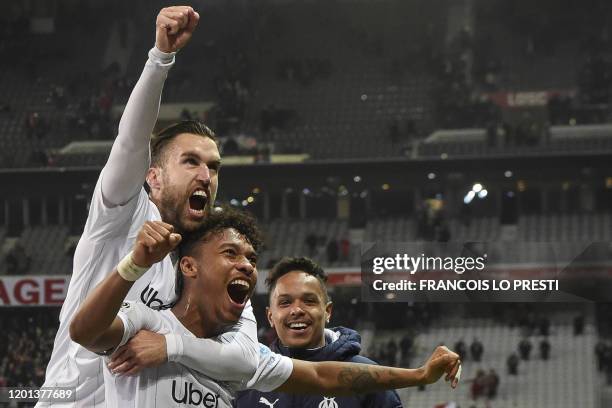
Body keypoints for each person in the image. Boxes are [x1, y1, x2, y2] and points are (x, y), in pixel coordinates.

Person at [38, 7, 260, 406]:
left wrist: (172, 347)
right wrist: (160, 57)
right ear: (153, 177)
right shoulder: (123, 214)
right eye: (190, 161)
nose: (206, 176)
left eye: (213, 167)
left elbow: (245, 357)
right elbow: (130, 142)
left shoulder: (202, 259)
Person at [70, 211, 462, 406]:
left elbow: (325, 376)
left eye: (252, 258)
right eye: (230, 253)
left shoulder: (243, 355)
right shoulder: (145, 320)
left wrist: (419, 376)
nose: (246, 264)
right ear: (188, 266)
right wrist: (134, 264)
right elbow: (84, 332)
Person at [235, 257, 404, 407]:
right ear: (270, 316)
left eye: (309, 301)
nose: (297, 310)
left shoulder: (367, 376)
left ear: (327, 311)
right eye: (285, 303)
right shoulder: (248, 380)